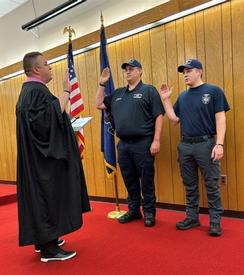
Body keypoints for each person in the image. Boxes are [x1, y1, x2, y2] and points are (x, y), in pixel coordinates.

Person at [16, 52, 90, 262]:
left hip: (38, 160)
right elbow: (47, 121)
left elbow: (46, 120)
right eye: (47, 64)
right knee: (47, 194)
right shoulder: (35, 91)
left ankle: (46, 239)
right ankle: (49, 249)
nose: (50, 68)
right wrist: (67, 90)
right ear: (36, 70)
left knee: (44, 196)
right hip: (44, 163)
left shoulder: (30, 92)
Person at [160, 59, 230, 236]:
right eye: (183, 71)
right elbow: (174, 119)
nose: (185, 74)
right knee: (189, 184)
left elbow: (221, 119)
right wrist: (166, 100)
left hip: (206, 144)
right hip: (185, 146)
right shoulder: (183, 96)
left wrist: (219, 144)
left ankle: (215, 222)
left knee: (212, 184)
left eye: (189, 70)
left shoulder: (213, 91)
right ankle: (192, 217)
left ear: (199, 71)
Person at [96, 59, 165, 227]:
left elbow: (159, 116)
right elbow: (98, 104)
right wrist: (102, 84)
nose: (127, 71)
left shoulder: (149, 91)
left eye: (131, 69)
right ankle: (134, 210)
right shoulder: (118, 93)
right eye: (125, 69)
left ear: (140, 71)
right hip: (124, 144)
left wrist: (156, 140)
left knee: (146, 180)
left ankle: (149, 212)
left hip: (144, 143)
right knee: (129, 179)